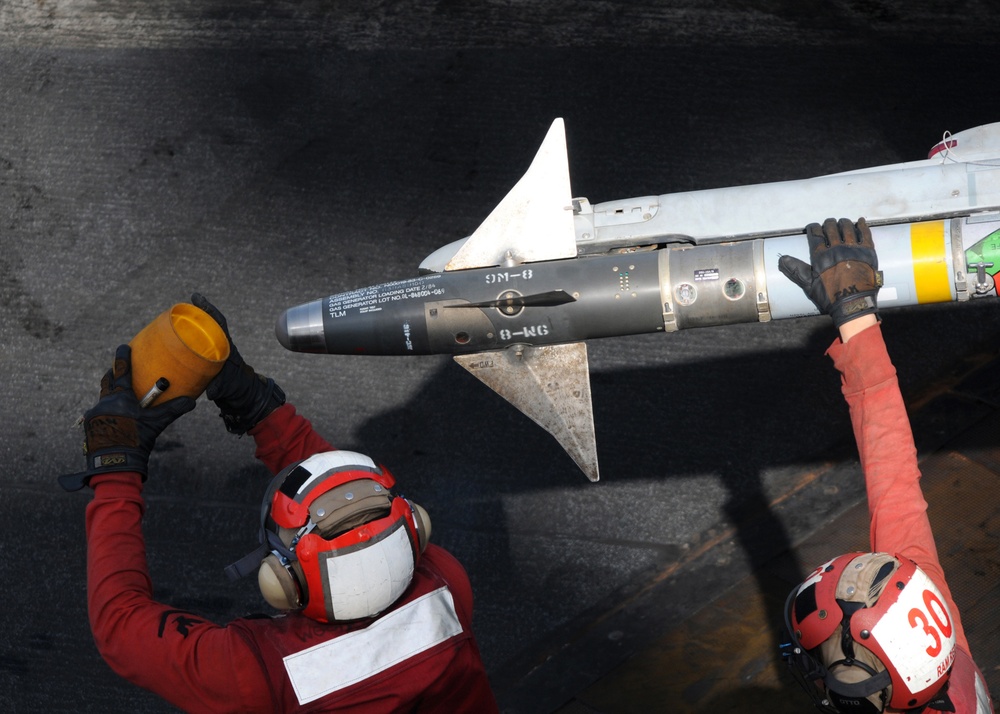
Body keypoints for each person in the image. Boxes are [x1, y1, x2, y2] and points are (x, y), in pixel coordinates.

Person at [61, 293, 499, 713]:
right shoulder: (446, 588)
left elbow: (118, 624)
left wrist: (117, 469)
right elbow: (342, 493)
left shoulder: (255, 674)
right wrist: (257, 408)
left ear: (284, 582)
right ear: (412, 532)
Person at [777, 218, 994, 713]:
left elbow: (892, 473)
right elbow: (892, 476)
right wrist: (856, 314)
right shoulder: (928, 635)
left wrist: (853, 311)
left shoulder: (939, 630)